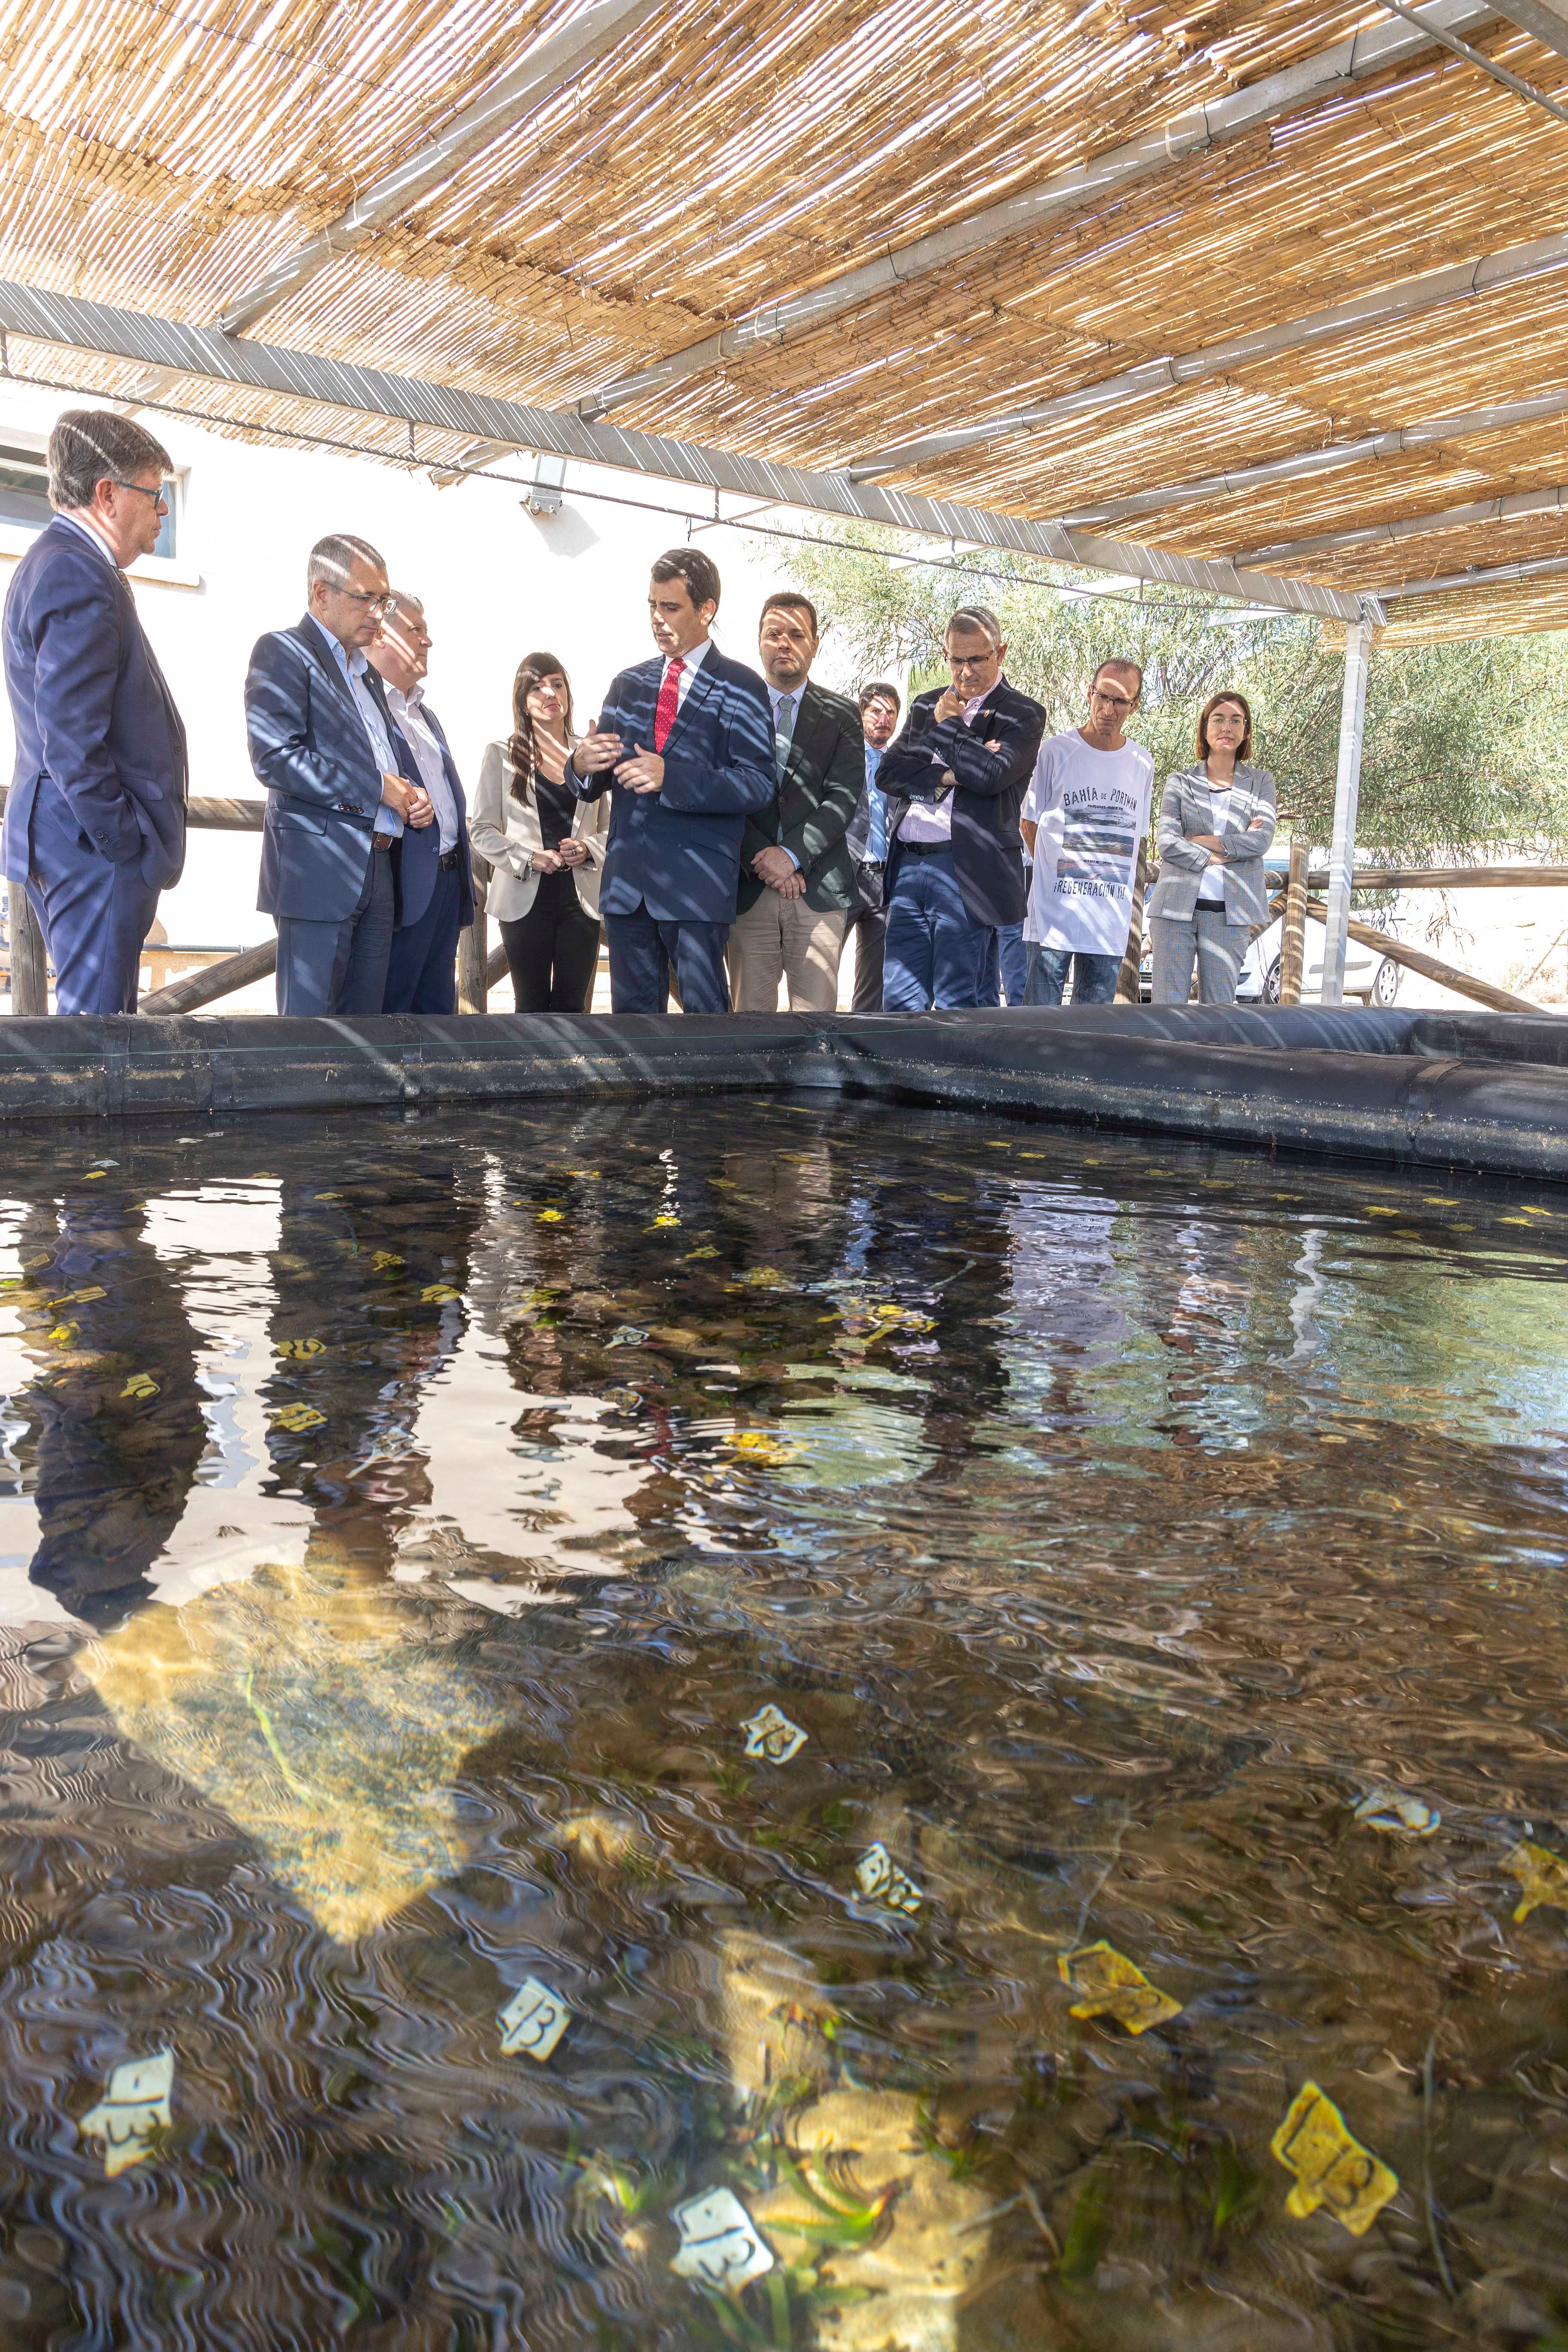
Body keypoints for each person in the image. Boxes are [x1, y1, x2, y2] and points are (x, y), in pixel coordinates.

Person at [0, 408, 187, 1014]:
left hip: (77, 841)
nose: (162, 513)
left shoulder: (56, 564)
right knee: (99, 1043)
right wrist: (122, 843)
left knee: (98, 1028)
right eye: (155, 495)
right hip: (92, 850)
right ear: (108, 495)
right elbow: (72, 741)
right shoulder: (77, 573)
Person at [569, 548, 773, 1015]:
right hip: (628, 892)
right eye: (651, 606)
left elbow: (759, 784)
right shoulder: (628, 684)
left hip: (696, 892)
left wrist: (672, 777)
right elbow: (594, 779)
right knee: (634, 1038)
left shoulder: (742, 686)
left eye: (670, 607)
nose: (657, 619)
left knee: (706, 1032)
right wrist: (581, 762)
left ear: (707, 610)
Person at [246, 533, 430, 1017]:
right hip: (319, 873)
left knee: (363, 1037)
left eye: (383, 600)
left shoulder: (367, 672)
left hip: (380, 867)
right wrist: (377, 788)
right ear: (321, 593)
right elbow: (274, 757)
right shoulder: (283, 651)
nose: (378, 613)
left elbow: (378, 758)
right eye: (366, 598)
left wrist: (411, 795)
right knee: (308, 1041)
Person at [876, 605, 1046, 1011]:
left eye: (976, 659)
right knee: (899, 1003)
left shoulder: (1021, 713)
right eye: (957, 660)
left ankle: (954, 1078)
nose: (966, 671)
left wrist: (951, 727)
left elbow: (991, 776)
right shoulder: (924, 706)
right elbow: (888, 773)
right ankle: (902, 1078)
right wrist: (948, 776)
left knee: (958, 1003)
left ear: (1000, 654)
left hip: (965, 869)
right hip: (906, 867)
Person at [727, 593, 863, 1013]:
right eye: (774, 634)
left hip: (819, 889)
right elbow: (723, 793)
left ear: (815, 643)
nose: (784, 643)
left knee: (817, 1029)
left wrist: (791, 856)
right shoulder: (731, 712)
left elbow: (843, 798)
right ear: (760, 642)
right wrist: (764, 858)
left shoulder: (843, 714)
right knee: (751, 1025)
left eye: (796, 634)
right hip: (750, 888)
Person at [472, 651, 609, 1012]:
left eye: (557, 684)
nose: (550, 694)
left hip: (581, 899)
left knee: (573, 1007)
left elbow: (614, 828)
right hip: (522, 900)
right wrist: (529, 857)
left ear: (568, 694)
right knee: (530, 1006)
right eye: (538, 687)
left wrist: (589, 848)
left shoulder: (591, 753)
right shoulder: (500, 754)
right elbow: (482, 830)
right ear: (523, 701)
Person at [1020, 659, 1154, 1006]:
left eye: (1120, 701)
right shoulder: (1055, 751)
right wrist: (1052, 875)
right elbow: (1028, 822)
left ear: (1134, 705)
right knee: (1038, 1022)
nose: (1108, 709)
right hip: (1054, 917)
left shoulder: (1142, 763)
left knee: (1090, 1030)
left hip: (1107, 921)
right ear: (1090, 693)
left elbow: (1136, 836)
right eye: (1102, 696)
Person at [370, 591, 474, 1015]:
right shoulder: (367, 710)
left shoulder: (425, 715)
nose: (427, 641)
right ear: (380, 634)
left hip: (446, 887)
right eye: (417, 630)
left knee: (438, 1018)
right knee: (393, 1014)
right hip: (401, 888)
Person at [1148, 691, 1277, 1005]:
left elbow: (1261, 840)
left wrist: (1200, 841)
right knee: (1168, 1009)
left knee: (1219, 1012)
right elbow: (1166, 843)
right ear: (1205, 728)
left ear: (1246, 730)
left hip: (1231, 914)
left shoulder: (1261, 782)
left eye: (1236, 720)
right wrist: (1227, 853)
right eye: (1218, 719)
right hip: (1174, 910)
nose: (1226, 727)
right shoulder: (1179, 782)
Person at [842, 681, 899, 1014]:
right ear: (861, 714)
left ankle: (860, 1036)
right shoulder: (843, 757)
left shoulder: (899, 764)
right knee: (823, 965)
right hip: (845, 877)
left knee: (873, 976)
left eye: (890, 713)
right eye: (876, 711)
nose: (883, 718)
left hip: (885, 882)